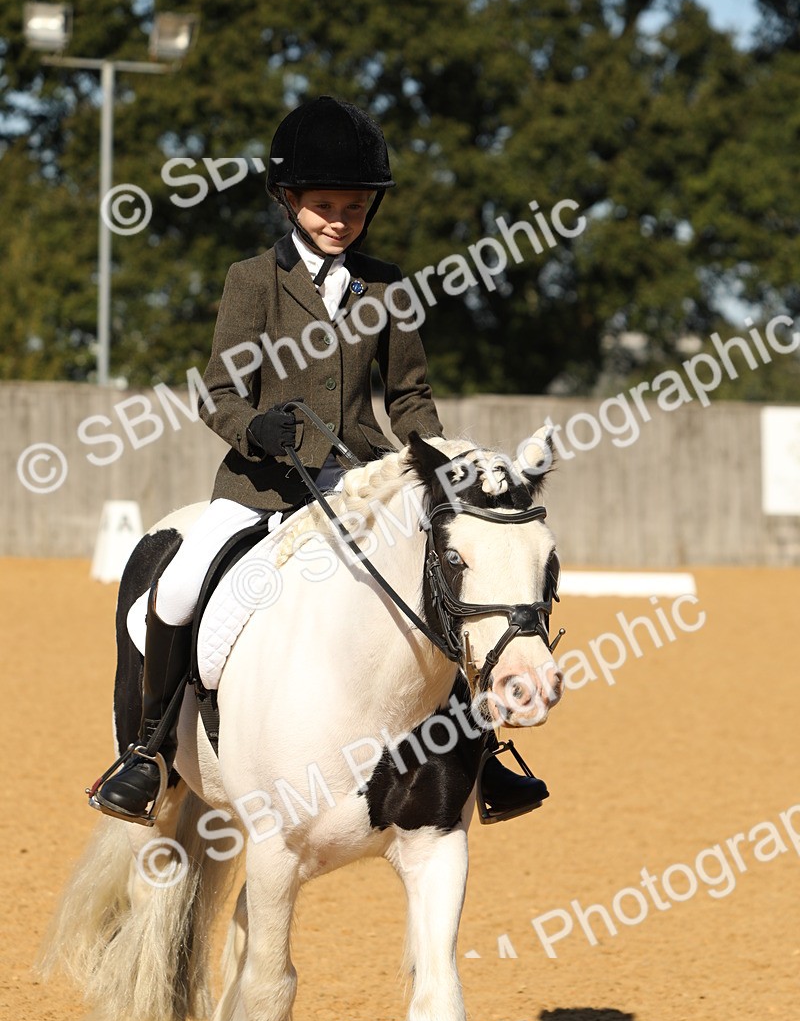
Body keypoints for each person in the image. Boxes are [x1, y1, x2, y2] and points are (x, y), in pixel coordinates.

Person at [90, 95, 544, 826]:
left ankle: (485, 756)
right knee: (174, 589)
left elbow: (410, 396)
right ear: (288, 199)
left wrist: (439, 465)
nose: (340, 219)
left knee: (442, 588)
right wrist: (254, 428)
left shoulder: (389, 285)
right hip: (260, 487)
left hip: (361, 487)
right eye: (325, 204)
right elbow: (217, 391)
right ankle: (145, 754)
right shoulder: (252, 281)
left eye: (356, 207)